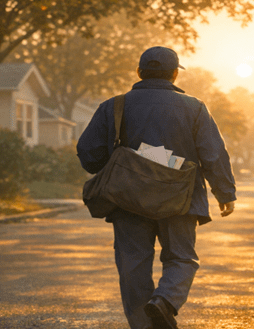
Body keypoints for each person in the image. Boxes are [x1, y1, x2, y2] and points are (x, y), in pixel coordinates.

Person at [77, 46, 236, 329]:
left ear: (139, 72)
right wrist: (224, 193)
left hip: (128, 200)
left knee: (132, 266)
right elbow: (213, 154)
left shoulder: (115, 106)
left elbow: (89, 154)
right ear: (174, 75)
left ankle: (143, 325)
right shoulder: (195, 108)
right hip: (181, 199)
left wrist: (118, 162)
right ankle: (164, 301)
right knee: (182, 258)